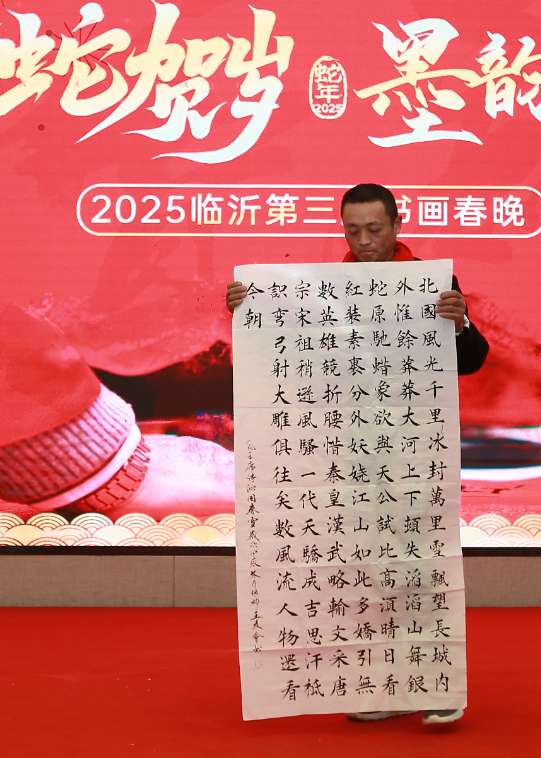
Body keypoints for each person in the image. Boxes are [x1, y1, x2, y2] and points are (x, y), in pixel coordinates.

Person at [226, 183, 489, 726]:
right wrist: (246, 310)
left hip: (412, 453)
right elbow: (277, 354)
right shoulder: (321, 286)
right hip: (346, 455)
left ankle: (438, 684)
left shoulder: (430, 280)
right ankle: (384, 684)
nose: (364, 241)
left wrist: (459, 322)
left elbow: (471, 361)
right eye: (353, 230)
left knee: (420, 568)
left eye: (375, 229)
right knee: (365, 573)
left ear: (397, 225)